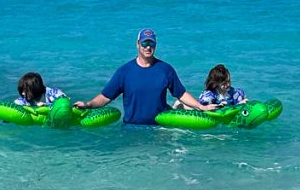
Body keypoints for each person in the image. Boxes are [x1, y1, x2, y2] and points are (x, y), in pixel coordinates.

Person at [74, 28, 214, 125]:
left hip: (158, 129)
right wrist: (87, 105)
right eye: (144, 43)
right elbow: (105, 97)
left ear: (155, 45)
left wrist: (201, 107)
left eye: (151, 43)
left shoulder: (165, 69)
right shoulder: (125, 71)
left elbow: (181, 94)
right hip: (131, 129)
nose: (148, 47)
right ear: (138, 44)